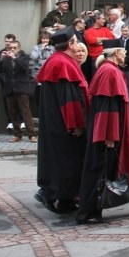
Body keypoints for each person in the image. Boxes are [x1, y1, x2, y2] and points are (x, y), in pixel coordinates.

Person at [75, 39, 129, 225]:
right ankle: (88, 212)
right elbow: (107, 107)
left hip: (117, 132)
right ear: (116, 53)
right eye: (123, 52)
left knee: (128, 164)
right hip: (110, 134)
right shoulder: (109, 72)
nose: (125, 55)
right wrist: (109, 135)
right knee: (101, 170)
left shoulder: (110, 70)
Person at [35, 27, 88, 214]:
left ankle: (66, 200)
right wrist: (78, 125)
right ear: (70, 44)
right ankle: (50, 194)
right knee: (69, 162)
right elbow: (70, 100)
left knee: (63, 162)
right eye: (75, 41)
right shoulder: (63, 64)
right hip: (66, 126)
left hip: (55, 123)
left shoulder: (56, 60)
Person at [0, 41, 37, 143]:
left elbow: (25, 67)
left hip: (21, 88)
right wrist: (1, 60)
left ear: (19, 48)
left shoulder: (24, 57)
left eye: (14, 48)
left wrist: (15, 58)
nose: (12, 50)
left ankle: (32, 134)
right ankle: (17, 134)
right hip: (9, 88)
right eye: (10, 48)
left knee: (25, 111)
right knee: (12, 112)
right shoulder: (5, 58)